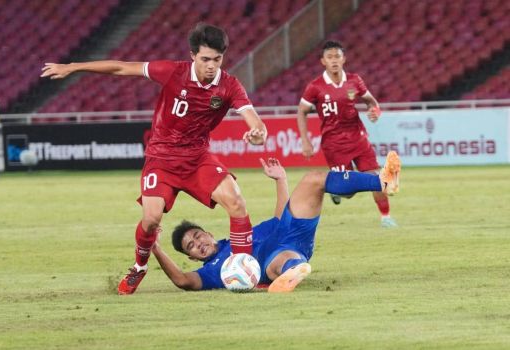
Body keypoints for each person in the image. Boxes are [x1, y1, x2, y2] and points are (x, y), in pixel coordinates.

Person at [41, 23, 267, 294]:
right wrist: (73, 67)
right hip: (161, 158)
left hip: (197, 158)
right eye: (205, 59)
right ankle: (139, 267)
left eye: (217, 60)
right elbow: (122, 67)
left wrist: (257, 134)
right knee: (151, 219)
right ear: (193, 55)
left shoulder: (229, 86)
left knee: (236, 202)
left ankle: (245, 270)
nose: (211, 66)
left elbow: (255, 122)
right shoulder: (173, 71)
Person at [151, 151, 401, 293]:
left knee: (313, 179)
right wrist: (155, 248)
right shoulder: (211, 272)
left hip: (288, 233)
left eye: (197, 236)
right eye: (191, 247)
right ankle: (292, 271)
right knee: (277, 261)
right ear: (192, 257)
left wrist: (280, 180)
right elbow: (182, 280)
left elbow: (280, 219)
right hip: (280, 255)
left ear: (207, 233)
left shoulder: (243, 235)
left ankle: (382, 181)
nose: (198, 244)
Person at [297, 41, 397, 228]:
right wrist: (305, 140)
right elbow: (301, 111)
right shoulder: (315, 87)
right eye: (330, 57)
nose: (334, 60)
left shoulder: (354, 81)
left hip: (358, 138)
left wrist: (375, 111)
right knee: (348, 191)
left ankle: (386, 218)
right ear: (323, 61)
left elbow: (371, 102)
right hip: (334, 145)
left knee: (375, 176)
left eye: (337, 56)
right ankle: (334, 188)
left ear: (344, 59)